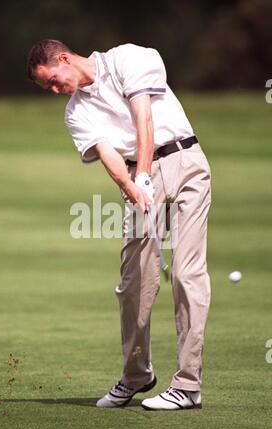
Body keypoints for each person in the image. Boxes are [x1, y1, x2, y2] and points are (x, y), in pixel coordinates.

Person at [27, 39, 211, 410]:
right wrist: (132, 184)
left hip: (185, 160)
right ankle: (136, 375)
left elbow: (144, 116)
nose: (55, 90)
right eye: (48, 87)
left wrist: (142, 173)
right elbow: (108, 153)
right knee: (133, 284)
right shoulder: (75, 112)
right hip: (140, 179)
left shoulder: (129, 57)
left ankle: (188, 385)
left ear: (64, 58)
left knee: (186, 273)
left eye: (53, 80)